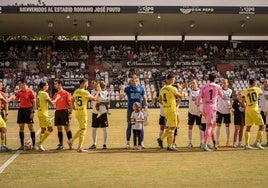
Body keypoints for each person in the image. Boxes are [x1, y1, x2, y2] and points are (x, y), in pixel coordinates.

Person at [157, 73, 185, 151]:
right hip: (172, 110)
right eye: (174, 79)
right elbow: (180, 96)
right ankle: (167, 144)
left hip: (166, 110)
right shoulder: (173, 88)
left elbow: (160, 100)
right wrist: (183, 90)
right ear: (172, 79)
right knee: (173, 127)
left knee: (170, 127)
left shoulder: (162, 89)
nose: (175, 80)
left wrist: (166, 105)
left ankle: (163, 141)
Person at [119, 74, 148, 149]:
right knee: (129, 126)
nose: (132, 81)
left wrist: (145, 107)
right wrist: (121, 92)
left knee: (141, 127)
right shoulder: (128, 88)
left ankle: (141, 143)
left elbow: (144, 98)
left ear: (136, 80)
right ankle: (128, 143)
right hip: (130, 110)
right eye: (131, 80)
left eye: (133, 80)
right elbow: (121, 98)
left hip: (139, 111)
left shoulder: (141, 88)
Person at [197, 73, 223, 152]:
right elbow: (221, 95)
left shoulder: (203, 86)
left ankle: (206, 141)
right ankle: (205, 144)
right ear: (215, 78)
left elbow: (199, 97)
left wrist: (199, 107)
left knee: (212, 125)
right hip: (212, 107)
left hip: (205, 106)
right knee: (209, 126)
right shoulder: (217, 86)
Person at [71, 78, 96, 152]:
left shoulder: (76, 91)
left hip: (77, 112)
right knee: (83, 129)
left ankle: (71, 141)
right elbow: (94, 99)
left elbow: (72, 100)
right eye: (87, 83)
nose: (87, 85)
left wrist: (74, 107)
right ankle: (80, 147)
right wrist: (98, 92)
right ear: (84, 83)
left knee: (81, 128)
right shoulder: (85, 92)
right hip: (83, 113)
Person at [12, 78, 37, 150]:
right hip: (21, 110)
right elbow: (15, 101)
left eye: (20, 84)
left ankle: (34, 145)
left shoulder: (30, 91)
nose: (19, 85)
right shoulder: (19, 92)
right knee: (21, 128)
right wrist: (12, 97)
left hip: (28, 110)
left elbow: (34, 102)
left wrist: (33, 112)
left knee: (30, 127)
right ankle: (22, 145)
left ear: (24, 84)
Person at [36, 81, 59, 151]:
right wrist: (57, 98)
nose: (48, 86)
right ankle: (39, 143)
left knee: (43, 129)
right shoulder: (44, 94)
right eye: (47, 85)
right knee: (50, 129)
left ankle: (40, 145)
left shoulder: (39, 93)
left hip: (40, 113)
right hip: (44, 114)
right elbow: (52, 103)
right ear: (43, 87)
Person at [241, 78, 264, 150]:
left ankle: (247, 145)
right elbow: (261, 94)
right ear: (254, 83)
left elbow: (242, 101)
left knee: (248, 127)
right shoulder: (257, 89)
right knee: (262, 126)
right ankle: (257, 143)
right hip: (254, 109)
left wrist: (246, 107)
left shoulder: (245, 91)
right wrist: (259, 87)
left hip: (248, 109)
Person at [88, 79, 109, 150]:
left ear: (98, 83)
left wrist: (100, 101)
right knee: (94, 129)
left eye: (93, 83)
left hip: (102, 112)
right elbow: (93, 99)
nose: (92, 84)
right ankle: (94, 144)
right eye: (91, 83)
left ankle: (104, 144)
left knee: (104, 129)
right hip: (95, 112)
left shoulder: (105, 91)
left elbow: (106, 101)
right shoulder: (92, 91)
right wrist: (99, 100)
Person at [52, 79, 73, 150]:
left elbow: (70, 104)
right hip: (57, 112)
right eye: (54, 84)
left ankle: (71, 143)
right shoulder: (55, 94)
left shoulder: (66, 93)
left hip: (64, 111)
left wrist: (70, 113)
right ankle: (61, 144)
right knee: (59, 128)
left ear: (60, 84)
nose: (54, 85)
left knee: (67, 128)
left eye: (56, 84)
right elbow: (53, 103)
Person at [215, 78, 233, 147]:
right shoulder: (219, 90)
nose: (224, 83)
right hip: (219, 110)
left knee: (227, 126)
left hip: (227, 111)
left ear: (228, 83)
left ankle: (227, 141)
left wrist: (231, 106)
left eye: (225, 82)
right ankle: (217, 142)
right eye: (223, 82)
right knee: (218, 126)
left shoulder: (230, 91)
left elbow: (231, 99)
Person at [187, 79, 202, 147]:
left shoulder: (200, 91)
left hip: (198, 112)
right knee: (190, 127)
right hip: (191, 112)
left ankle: (201, 142)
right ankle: (190, 142)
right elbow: (184, 95)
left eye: (194, 83)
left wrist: (200, 103)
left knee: (200, 127)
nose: (192, 84)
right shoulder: (189, 91)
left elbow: (203, 100)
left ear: (197, 84)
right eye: (192, 83)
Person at [260, 79, 268, 146]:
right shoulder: (261, 90)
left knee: (267, 128)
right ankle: (259, 141)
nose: (266, 83)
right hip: (262, 111)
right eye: (265, 82)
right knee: (261, 126)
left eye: (267, 82)